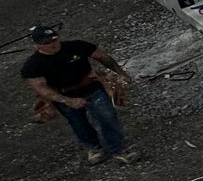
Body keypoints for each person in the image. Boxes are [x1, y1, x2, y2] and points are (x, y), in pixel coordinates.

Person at [20, 25, 140, 165]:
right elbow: (41, 88)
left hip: (91, 88)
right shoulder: (33, 65)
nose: (53, 44)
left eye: (54, 40)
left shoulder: (76, 46)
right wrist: (66, 100)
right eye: (47, 43)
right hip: (64, 95)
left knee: (108, 117)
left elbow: (103, 57)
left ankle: (118, 149)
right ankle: (94, 148)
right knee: (78, 123)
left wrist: (121, 73)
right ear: (37, 45)